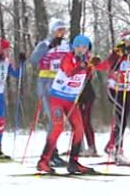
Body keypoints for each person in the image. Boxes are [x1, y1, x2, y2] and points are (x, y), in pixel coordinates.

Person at [39, 34, 107, 174]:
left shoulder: (86, 60)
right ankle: (43, 161)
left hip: (71, 100)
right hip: (57, 98)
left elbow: (101, 67)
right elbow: (69, 71)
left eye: (84, 47)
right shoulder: (68, 58)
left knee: (79, 129)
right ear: (74, 47)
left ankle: (73, 162)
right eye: (78, 47)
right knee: (58, 127)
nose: (81, 49)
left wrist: (96, 63)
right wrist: (82, 65)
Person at [30, 18, 71, 168]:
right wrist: (47, 47)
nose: (61, 33)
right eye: (58, 30)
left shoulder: (66, 45)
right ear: (52, 31)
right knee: (55, 121)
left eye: (63, 30)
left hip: (61, 86)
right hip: (46, 85)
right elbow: (33, 60)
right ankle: (51, 154)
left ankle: (53, 153)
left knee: (59, 122)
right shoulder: (45, 44)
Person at [104, 32, 130, 164]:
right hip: (115, 89)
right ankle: (118, 150)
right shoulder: (118, 52)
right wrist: (118, 57)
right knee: (121, 117)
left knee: (123, 119)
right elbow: (107, 65)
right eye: (127, 39)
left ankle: (111, 146)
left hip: (127, 90)